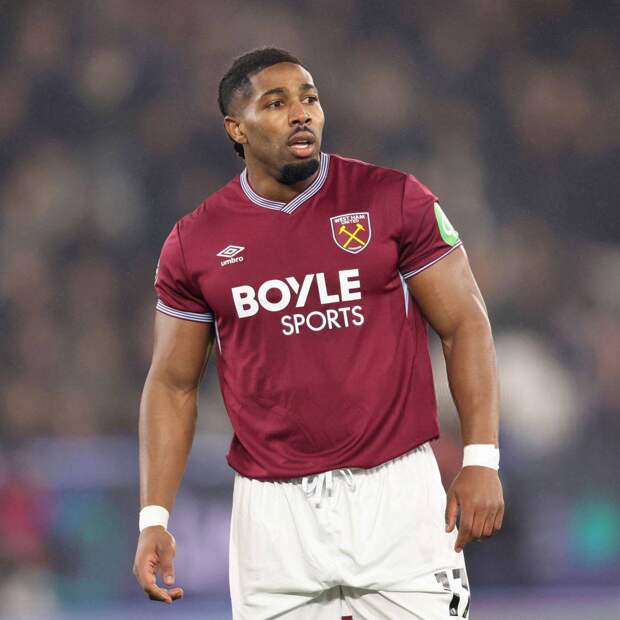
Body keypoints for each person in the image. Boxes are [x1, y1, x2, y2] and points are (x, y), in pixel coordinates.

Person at [132, 47, 504, 619]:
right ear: (236, 128)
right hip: (273, 517)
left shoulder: (391, 198)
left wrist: (481, 458)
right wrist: (154, 517)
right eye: (275, 103)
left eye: (309, 98)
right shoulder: (195, 242)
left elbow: (465, 323)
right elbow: (171, 384)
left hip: (396, 496)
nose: (301, 113)